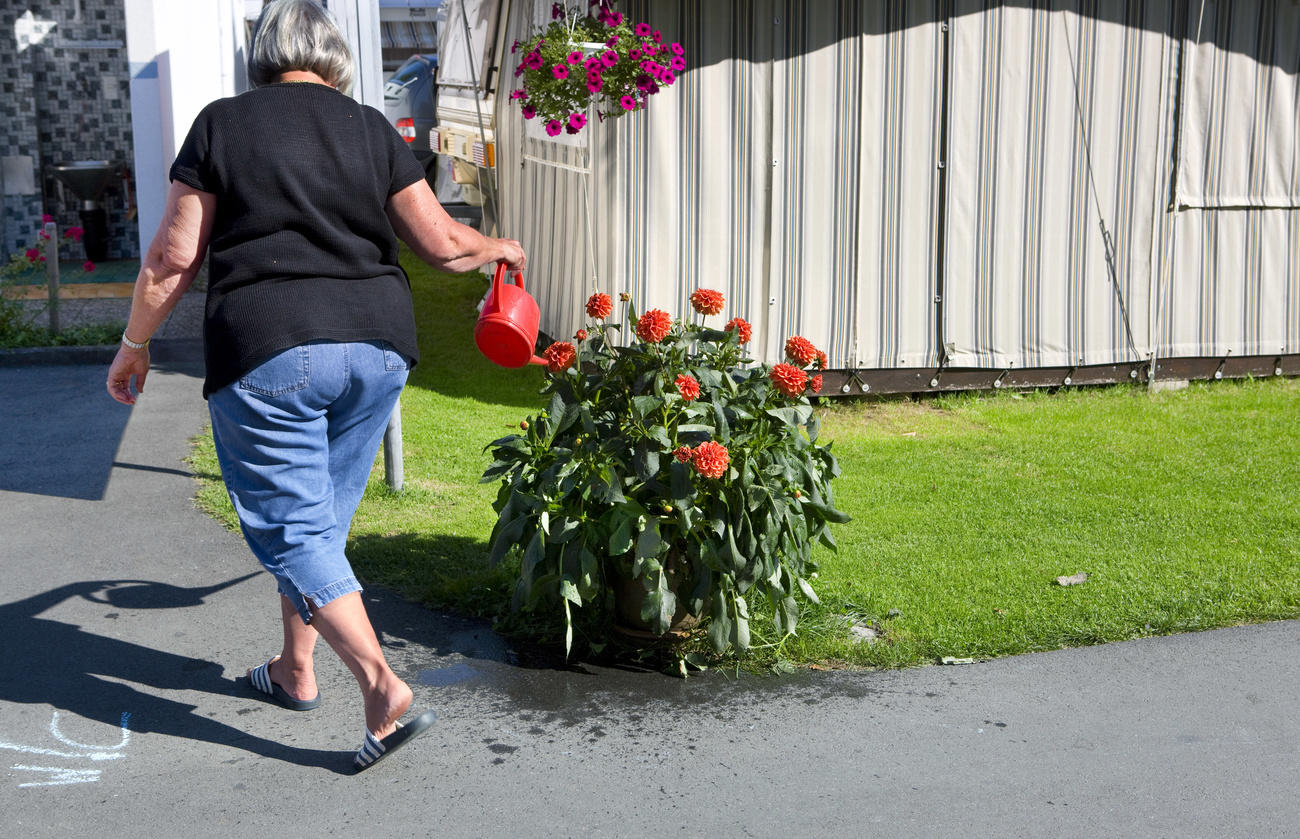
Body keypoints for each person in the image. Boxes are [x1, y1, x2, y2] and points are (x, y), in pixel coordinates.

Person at [105, 0, 525, 772]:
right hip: (377, 351)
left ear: (262, 55)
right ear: (332, 54)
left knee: (295, 527)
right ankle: (296, 670)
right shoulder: (370, 126)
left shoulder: (222, 124)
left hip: (269, 349)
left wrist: (134, 345)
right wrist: (496, 244)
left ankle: (381, 686)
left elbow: (171, 257)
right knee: (320, 520)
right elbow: (440, 243)